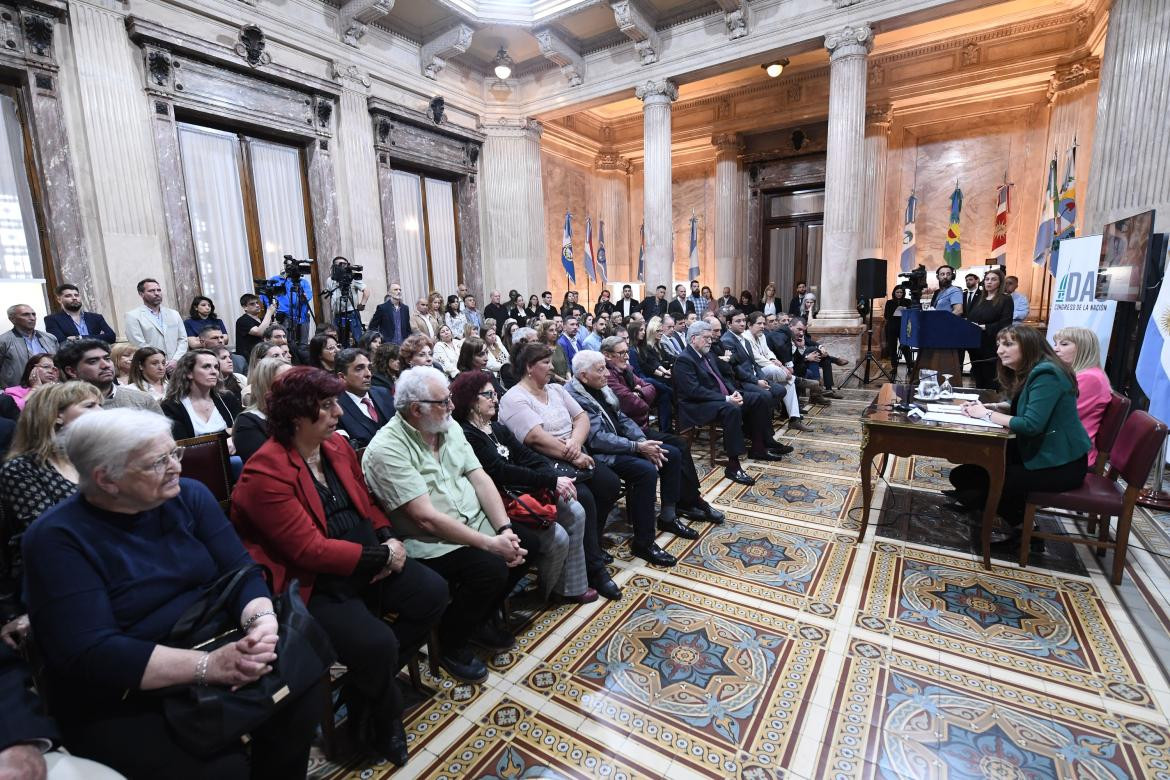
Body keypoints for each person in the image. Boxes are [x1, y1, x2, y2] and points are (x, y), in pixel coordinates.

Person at [22, 408, 323, 778]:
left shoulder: (188, 495)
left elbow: (240, 570)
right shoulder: (56, 538)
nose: (176, 467)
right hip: (126, 688)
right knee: (221, 773)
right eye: (157, 462)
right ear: (107, 479)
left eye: (174, 453)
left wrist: (261, 624)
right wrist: (207, 667)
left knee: (304, 687)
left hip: (217, 637)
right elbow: (93, 652)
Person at [230, 367, 445, 766]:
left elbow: (367, 504)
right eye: (327, 406)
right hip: (315, 583)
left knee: (433, 594)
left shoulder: (335, 448)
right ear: (296, 415)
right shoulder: (264, 471)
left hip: (367, 560)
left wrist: (387, 539)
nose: (339, 414)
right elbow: (307, 550)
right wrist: (381, 557)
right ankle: (384, 716)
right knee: (377, 644)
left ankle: (364, 689)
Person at [363, 367, 534, 684]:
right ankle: (452, 642)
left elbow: (480, 478)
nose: (453, 407)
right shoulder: (387, 448)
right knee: (491, 568)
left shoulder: (446, 425)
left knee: (529, 544)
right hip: (431, 541)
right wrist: (489, 544)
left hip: (472, 522)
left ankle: (477, 619)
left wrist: (504, 530)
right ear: (417, 409)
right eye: (444, 401)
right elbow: (425, 518)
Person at [452, 370, 592, 603]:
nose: (495, 398)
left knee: (575, 509)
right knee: (558, 538)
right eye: (488, 394)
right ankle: (546, 593)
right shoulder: (467, 434)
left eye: (495, 393)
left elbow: (527, 456)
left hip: (526, 489)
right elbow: (501, 472)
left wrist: (552, 477)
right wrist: (550, 481)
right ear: (470, 399)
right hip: (502, 500)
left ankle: (570, 585)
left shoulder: (496, 428)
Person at [498, 344, 621, 601]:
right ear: (529, 368)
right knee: (583, 497)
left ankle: (592, 547)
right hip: (545, 463)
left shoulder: (555, 389)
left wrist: (576, 443)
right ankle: (595, 569)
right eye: (545, 362)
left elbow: (582, 417)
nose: (552, 367)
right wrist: (574, 454)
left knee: (609, 483)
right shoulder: (514, 398)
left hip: (573, 454)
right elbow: (535, 438)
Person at [952, 326, 1090, 553]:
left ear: (1028, 346)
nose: (999, 351)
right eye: (999, 344)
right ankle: (1009, 516)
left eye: (1007, 344)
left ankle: (1027, 533)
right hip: (1039, 452)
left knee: (983, 484)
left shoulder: (1047, 373)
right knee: (965, 475)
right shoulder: (1037, 370)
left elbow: (1031, 425)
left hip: (1059, 463)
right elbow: (1030, 407)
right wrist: (996, 406)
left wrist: (986, 415)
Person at [567, 351, 704, 567]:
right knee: (645, 471)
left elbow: (622, 418)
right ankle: (643, 542)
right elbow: (597, 439)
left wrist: (642, 441)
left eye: (605, 367)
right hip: (601, 453)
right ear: (583, 376)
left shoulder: (600, 386)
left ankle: (668, 515)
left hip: (619, 442)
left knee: (671, 453)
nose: (606, 374)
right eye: (600, 369)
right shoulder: (575, 396)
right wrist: (638, 447)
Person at [0, 382, 102, 647]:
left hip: (110, 555)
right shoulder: (22, 468)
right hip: (58, 571)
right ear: (56, 415)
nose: (101, 411)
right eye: (90, 406)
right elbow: (49, 534)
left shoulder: (98, 458)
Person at [674, 321, 782, 486]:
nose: (711, 341)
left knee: (759, 398)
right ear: (694, 338)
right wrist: (726, 399)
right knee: (731, 409)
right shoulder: (684, 360)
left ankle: (758, 447)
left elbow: (723, 377)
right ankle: (733, 465)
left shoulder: (708, 354)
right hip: (696, 406)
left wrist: (733, 392)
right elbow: (694, 391)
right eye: (706, 338)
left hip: (718, 398)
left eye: (711, 337)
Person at [1052, 326, 1113, 466]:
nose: (1055, 349)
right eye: (1055, 343)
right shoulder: (1081, 374)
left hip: (1069, 456)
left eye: (1064, 344)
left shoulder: (1089, 378)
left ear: (1083, 348)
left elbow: (1056, 415)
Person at [161, 349, 242, 451]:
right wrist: (225, 435)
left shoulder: (227, 398)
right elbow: (182, 444)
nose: (214, 372)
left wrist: (234, 437)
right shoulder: (172, 405)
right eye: (206, 367)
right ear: (189, 373)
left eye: (216, 367)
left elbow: (242, 431)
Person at [55, 338, 161, 412]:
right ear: (72, 371)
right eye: (93, 361)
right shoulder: (60, 406)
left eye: (107, 359)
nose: (105, 365)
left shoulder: (142, 399)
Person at [233, 357, 291, 463]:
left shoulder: (299, 414)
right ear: (266, 386)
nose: (295, 385)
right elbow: (267, 465)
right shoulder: (247, 422)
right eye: (286, 381)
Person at [965, 268, 1015, 389]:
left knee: (991, 379)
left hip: (992, 344)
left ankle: (991, 403)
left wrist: (984, 327)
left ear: (1000, 282)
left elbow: (1006, 323)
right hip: (976, 344)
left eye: (993, 279)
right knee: (978, 378)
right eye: (987, 279)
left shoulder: (1005, 299)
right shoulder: (979, 299)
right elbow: (971, 317)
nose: (989, 282)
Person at [335, 348, 394, 448]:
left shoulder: (383, 393)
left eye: (369, 368)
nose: (368, 374)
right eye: (359, 369)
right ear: (342, 377)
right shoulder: (335, 408)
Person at [124, 278, 187, 365]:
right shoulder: (133, 316)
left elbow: (183, 339)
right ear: (141, 294)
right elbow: (137, 343)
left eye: (159, 290)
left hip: (177, 364)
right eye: (151, 291)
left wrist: (175, 360)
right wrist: (160, 362)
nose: (157, 293)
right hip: (151, 365)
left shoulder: (174, 314)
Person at [0, 305, 58, 389]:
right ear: (12, 319)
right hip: (17, 392)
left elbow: (58, 364)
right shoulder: (3, 341)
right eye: (25, 315)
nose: (32, 318)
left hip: (49, 389)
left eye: (33, 314)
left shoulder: (50, 338)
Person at [43, 283, 116, 344]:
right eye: (68, 296)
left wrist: (78, 338)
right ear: (59, 300)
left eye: (76, 295)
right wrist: (98, 337)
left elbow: (111, 337)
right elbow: (62, 342)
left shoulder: (96, 317)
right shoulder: (52, 320)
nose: (74, 298)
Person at [324, 257, 369, 344]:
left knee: (358, 339)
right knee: (340, 341)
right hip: (338, 315)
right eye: (340, 264)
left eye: (345, 264)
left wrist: (362, 304)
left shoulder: (352, 277)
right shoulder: (330, 280)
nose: (343, 266)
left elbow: (366, 291)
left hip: (352, 313)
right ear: (334, 266)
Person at [234, 293, 277, 362]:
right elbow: (259, 332)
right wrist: (269, 313)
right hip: (250, 359)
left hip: (263, 354)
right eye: (252, 304)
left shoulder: (262, 320)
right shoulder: (242, 320)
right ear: (245, 307)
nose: (257, 305)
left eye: (257, 303)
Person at [884, 286, 911, 371]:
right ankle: (894, 367)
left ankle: (909, 366)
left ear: (903, 293)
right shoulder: (889, 302)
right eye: (897, 292)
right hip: (892, 327)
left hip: (903, 327)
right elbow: (886, 315)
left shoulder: (907, 301)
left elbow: (911, 314)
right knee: (892, 347)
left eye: (901, 292)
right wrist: (895, 313)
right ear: (894, 293)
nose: (899, 294)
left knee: (905, 347)